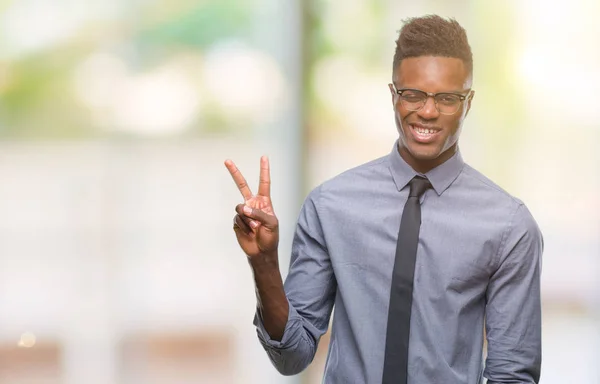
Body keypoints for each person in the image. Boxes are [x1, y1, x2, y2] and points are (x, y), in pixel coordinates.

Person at [225, 15, 543, 384]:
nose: (427, 111)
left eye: (447, 98)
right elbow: (293, 356)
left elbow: (512, 376)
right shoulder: (331, 206)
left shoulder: (508, 225)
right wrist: (264, 263)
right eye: (412, 94)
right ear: (393, 95)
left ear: (468, 102)